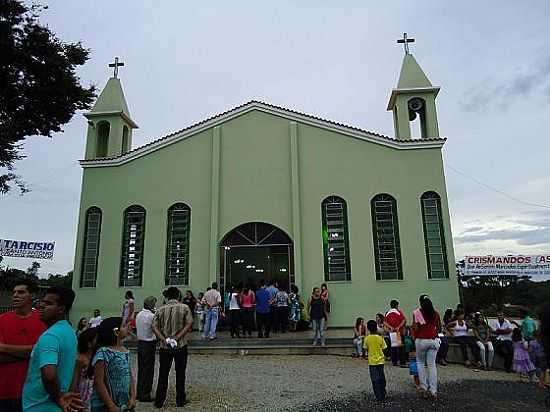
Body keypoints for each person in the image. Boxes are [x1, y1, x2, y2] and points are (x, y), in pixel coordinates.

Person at [22, 286, 84, 411]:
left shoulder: (50, 336)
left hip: (39, 406)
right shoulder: (70, 333)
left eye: (49, 303)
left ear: (61, 309)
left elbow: (49, 374)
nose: (42, 306)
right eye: (42, 302)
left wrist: (58, 397)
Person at [0, 279, 46, 412]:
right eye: (14, 292)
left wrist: (3, 347)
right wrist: (32, 354)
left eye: (21, 292)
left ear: (32, 295)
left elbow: (44, 352)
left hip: (33, 392)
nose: (15, 295)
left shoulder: (43, 319)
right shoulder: (2, 320)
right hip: (4, 391)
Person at [152, 286, 194, 408]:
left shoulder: (160, 309)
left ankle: (159, 401)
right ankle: (180, 400)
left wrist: (163, 339)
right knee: (180, 373)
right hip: (180, 345)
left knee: (163, 373)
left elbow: (154, 326)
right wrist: (178, 336)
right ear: (178, 296)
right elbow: (189, 323)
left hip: (165, 347)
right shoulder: (184, 307)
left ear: (167, 296)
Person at [90, 317, 136, 411]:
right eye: (123, 326)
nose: (128, 327)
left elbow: (130, 375)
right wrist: (111, 405)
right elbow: (99, 381)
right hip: (105, 405)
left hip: (123, 403)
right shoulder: (103, 352)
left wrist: (133, 396)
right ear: (116, 332)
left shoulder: (125, 351)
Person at [412, 294, 441, 401]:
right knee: (432, 365)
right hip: (434, 340)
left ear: (420, 302)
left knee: (420, 363)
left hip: (422, 340)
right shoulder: (435, 313)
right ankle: (433, 391)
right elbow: (439, 327)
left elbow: (416, 328)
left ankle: (423, 387)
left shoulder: (417, 313)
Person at [70, 327, 98, 411]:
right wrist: (76, 400)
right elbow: (74, 382)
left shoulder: (96, 357)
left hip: (91, 396)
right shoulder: (80, 359)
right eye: (97, 339)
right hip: (82, 395)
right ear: (89, 344)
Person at [135, 296, 157, 402]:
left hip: (140, 343)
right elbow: (156, 328)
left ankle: (139, 392)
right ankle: (145, 394)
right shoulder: (151, 316)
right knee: (148, 370)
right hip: (149, 344)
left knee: (141, 369)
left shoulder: (139, 314)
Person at [364, 319, 387, 402]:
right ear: (376, 328)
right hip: (381, 361)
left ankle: (378, 396)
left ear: (368, 329)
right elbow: (384, 348)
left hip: (372, 362)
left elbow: (365, 349)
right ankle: (383, 392)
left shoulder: (367, 339)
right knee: (381, 377)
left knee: (374, 379)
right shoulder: (380, 338)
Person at [384, 299, 407, 367]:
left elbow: (384, 322)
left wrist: (390, 327)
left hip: (392, 333)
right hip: (399, 332)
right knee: (401, 347)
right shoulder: (399, 312)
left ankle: (394, 362)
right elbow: (404, 320)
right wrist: (398, 327)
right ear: (397, 305)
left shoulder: (388, 312)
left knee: (393, 347)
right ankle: (402, 362)